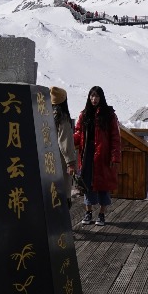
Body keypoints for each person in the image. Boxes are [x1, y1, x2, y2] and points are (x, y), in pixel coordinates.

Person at [72, 86, 121, 226]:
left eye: (97, 96)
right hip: (87, 153)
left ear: (101, 98)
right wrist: (66, 142)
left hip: (103, 154)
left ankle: (101, 214)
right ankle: (88, 212)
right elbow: (78, 133)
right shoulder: (84, 114)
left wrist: (114, 157)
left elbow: (115, 137)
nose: (94, 99)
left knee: (103, 185)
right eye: (92, 96)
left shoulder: (109, 115)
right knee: (87, 184)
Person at [50, 87, 80, 205]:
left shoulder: (45, 115)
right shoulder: (62, 118)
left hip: (48, 158)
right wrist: (71, 163)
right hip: (61, 160)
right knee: (63, 192)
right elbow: (65, 143)